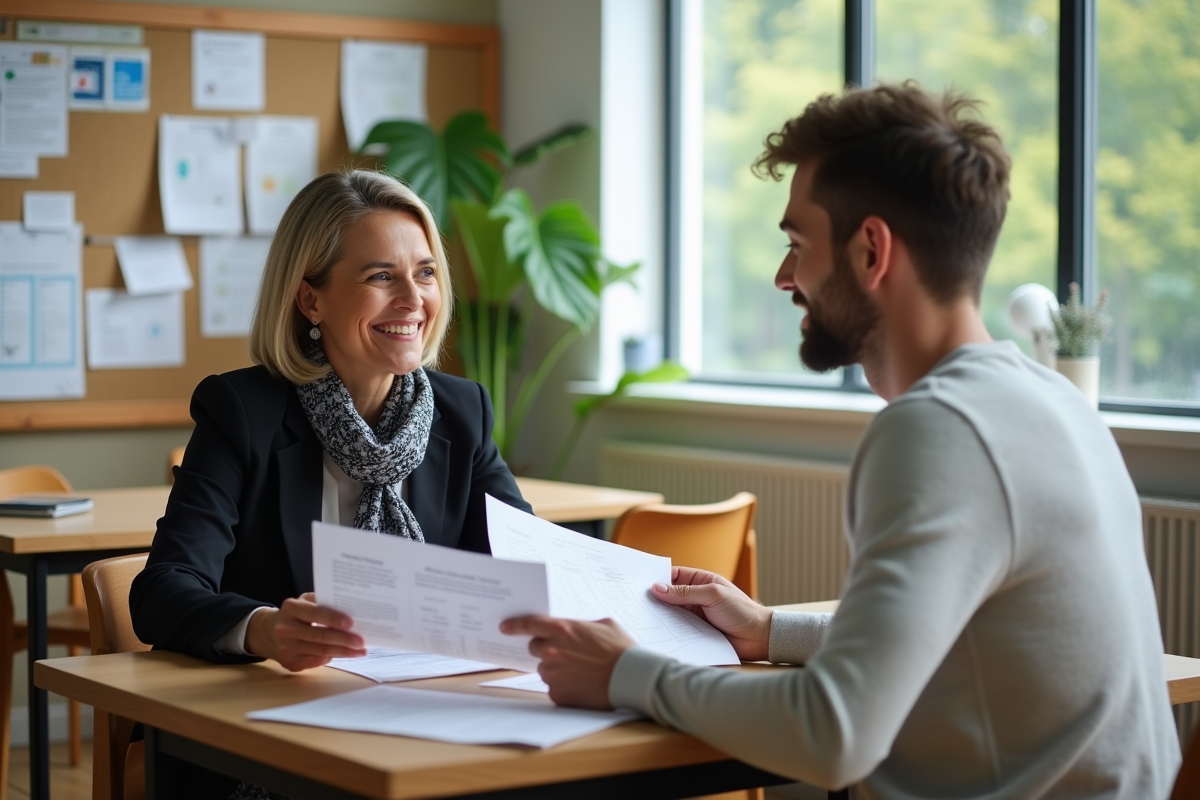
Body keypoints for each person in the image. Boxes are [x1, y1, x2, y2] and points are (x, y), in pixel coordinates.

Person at [502, 83, 1180, 798]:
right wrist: (770, 632)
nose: (783, 276)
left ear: (871, 251)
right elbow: (947, 646)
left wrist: (624, 673)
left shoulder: (938, 429)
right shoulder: (1051, 401)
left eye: (798, 244)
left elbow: (835, 735)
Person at [130, 170, 530, 799]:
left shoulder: (461, 411)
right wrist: (263, 628)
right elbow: (162, 592)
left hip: (426, 718)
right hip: (268, 731)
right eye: (380, 277)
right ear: (310, 300)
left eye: (425, 273)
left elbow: (522, 562)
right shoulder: (242, 411)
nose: (413, 300)